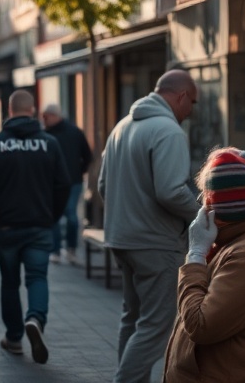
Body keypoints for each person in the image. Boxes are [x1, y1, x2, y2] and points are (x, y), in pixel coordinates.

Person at [98, 69, 200, 383]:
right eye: (192, 102)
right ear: (181, 96)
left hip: (121, 238)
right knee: (155, 324)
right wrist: (202, 214)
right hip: (154, 242)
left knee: (133, 318)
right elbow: (170, 191)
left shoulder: (121, 127)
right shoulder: (168, 131)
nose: (191, 111)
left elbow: (104, 185)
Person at [163, 147, 245, 383]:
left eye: (206, 195)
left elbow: (200, 325)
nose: (201, 203)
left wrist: (197, 254)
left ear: (219, 206)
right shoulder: (232, 244)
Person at [0, 89, 70, 365]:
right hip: (40, 224)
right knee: (37, 276)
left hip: (6, 227)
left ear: (9, 110)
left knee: (9, 282)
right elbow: (63, 184)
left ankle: (14, 338)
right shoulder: (49, 143)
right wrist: (51, 215)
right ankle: (36, 319)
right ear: (33, 110)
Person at [41, 103, 93, 265]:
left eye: (46, 116)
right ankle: (56, 250)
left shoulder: (74, 132)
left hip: (72, 181)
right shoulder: (44, 134)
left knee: (70, 215)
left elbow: (88, 156)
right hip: (54, 182)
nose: (43, 120)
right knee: (56, 216)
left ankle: (70, 249)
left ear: (54, 115)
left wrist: (78, 172)